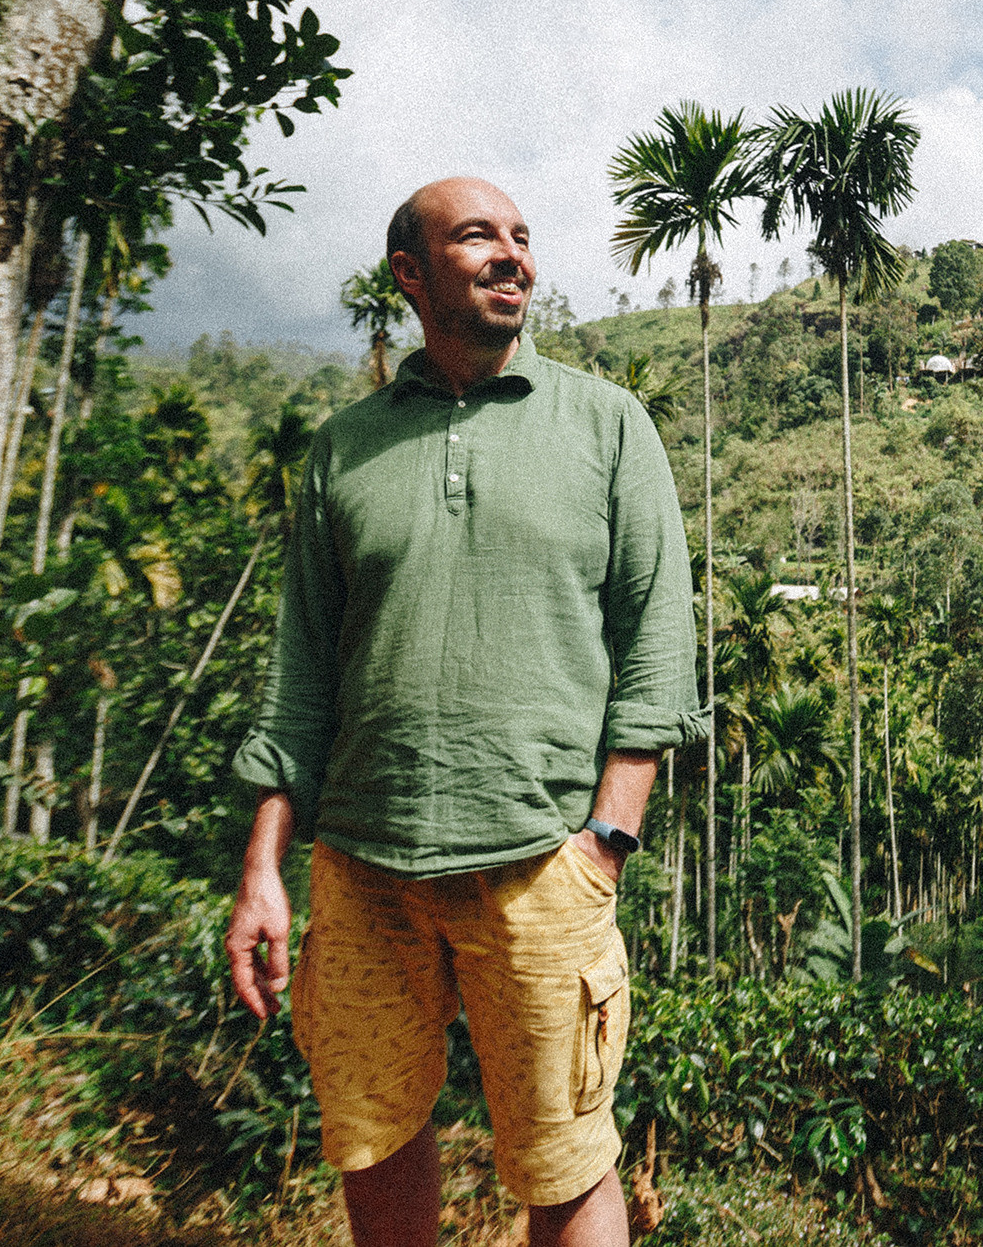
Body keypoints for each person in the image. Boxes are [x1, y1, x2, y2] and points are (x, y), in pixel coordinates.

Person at [225, 176, 703, 1247]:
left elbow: (658, 648)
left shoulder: (607, 424)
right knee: (375, 1137)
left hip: (541, 863)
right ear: (409, 270)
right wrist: (265, 866)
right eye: (478, 234)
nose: (511, 255)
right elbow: (301, 671)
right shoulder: (343, 449)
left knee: (565, 1159)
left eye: (523, 237)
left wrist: (607, 839)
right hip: (360, 865)